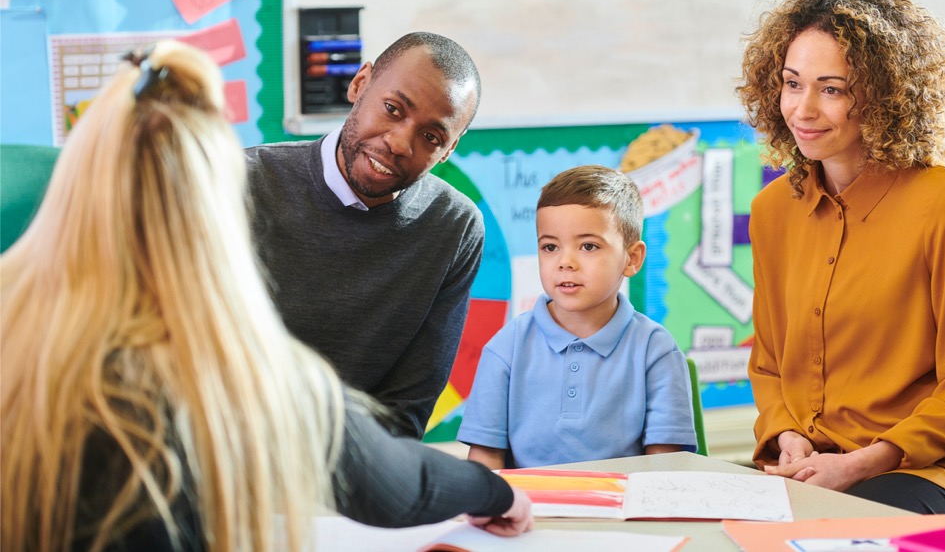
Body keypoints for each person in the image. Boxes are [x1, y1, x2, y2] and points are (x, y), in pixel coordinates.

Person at [0, 40, 532, 552]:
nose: (398, 141)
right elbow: (392, 483)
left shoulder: (15, 306)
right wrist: (495, 491)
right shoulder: (234, 370)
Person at [738, 0, 945, 521]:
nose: (803, 109)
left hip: (937, 471)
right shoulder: (772, 210)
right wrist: (787, 435)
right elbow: (770, 366)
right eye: (792, 83)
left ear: (885, 94)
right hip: (815, 467)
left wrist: (863, 463)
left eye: (832, 89)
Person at [245, 32, 485, 439]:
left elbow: (408, 409)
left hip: (355, 475)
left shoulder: (454, 227)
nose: (399, 143)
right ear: (360, 84)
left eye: (431, 137)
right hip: (221, 464)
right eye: (392, 109)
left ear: (449, 150)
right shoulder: (238, 184)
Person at [459, 165, 697, 469]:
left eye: (588, 246)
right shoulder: (507, 347)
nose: (565, 262)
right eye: (550, 247)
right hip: (528, 511)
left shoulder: (656, 350)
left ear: (632, 258)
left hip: (620, 510)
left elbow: (665, 464)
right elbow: (485, 459)